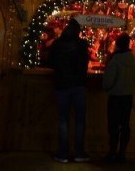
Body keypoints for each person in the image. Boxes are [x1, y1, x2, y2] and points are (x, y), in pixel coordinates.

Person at [45, 18, 91, 163]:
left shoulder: (57, 44)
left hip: (62, 85)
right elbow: (85, 62)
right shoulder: (82, 45)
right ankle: (79, 153)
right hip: (79, 85)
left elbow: (50, 61)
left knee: (63, 119)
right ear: (78, 32)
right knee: (80, 120)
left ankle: (63, 154)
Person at [102, 32, 135, 163]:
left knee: (113, 125)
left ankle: (112, 151)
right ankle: (122, 152)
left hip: (115, 97)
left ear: (117, 44)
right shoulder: (133, 61)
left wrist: (107, 88)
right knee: (125, 125)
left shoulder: (115, 61)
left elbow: (107, 81)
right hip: (127, 96)